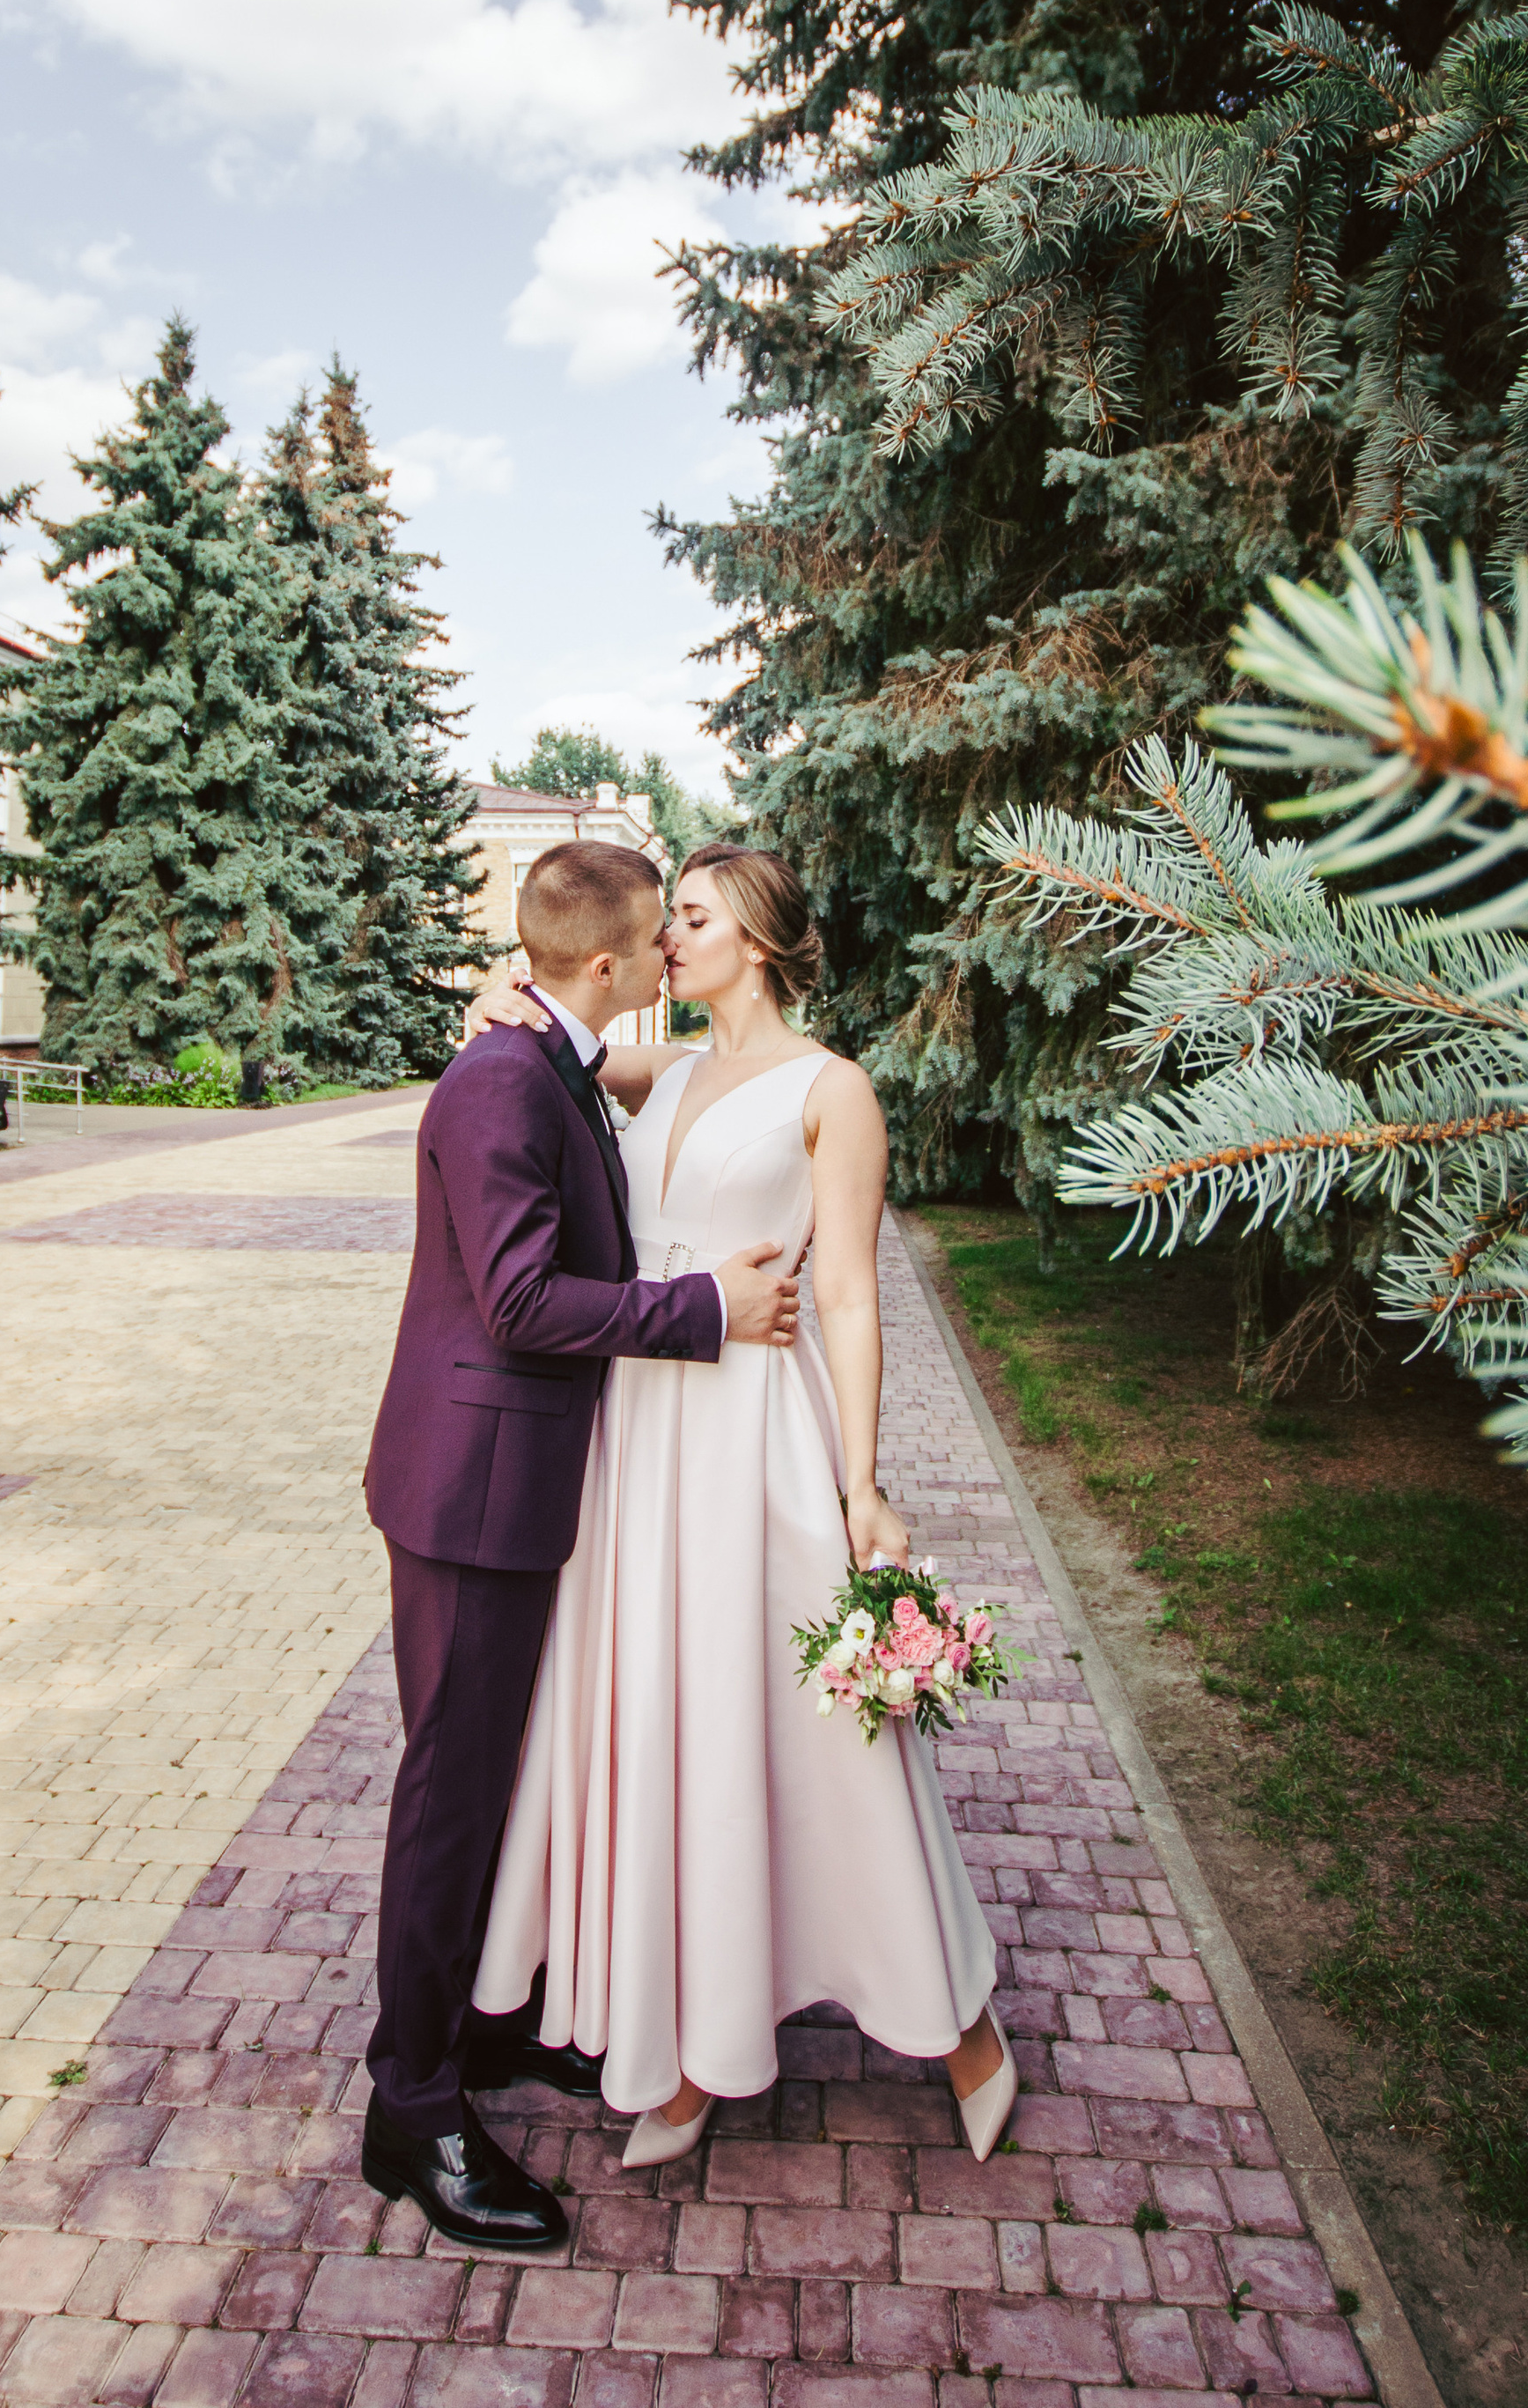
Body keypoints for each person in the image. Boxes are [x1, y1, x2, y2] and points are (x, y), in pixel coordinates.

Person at [466, 839, 1015, 2170]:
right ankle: (691, 2045)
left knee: (822, 1734)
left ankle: (962, 2028)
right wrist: (498, 998)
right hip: (643, 1432)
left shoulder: (834, 1089)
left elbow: (845, 1294)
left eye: (692, 920)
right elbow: (542, 1034)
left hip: (755, 1432)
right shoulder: (660, 1069)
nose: (668, 942)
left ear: (756, 938)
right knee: (670, 1719)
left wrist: (864, 1481)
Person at [359, 839, 801, 2253]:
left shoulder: (551, 1053)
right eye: (654, 940)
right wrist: (701, 1312)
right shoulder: (500, 1078)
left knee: (491, 1782)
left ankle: (484, 2033)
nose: (671, 956)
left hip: (518, 1485)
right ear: (604, 965)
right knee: (449, 1793)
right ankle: (411, 2106)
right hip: (470, 1494)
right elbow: (521, 1303)